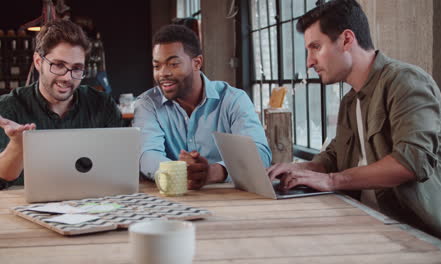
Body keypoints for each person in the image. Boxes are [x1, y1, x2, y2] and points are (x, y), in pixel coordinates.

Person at [268, 0, 441, 250]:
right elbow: (334, 158)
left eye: (315, 47)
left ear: (347, 40)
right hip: (372, 225)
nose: (309, 62)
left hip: (429, 236)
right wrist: (294, 169)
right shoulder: (350, 101)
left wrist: (331, 180)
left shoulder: (406, 81)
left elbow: (412, 162)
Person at [133, 24, 271, 190]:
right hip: (171, 197)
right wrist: (181, 172)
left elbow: (259, 153)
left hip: (230, 199)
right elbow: (146, 155)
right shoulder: (147, 104)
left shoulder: (233, 100)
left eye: (173, 64)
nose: (163, 73)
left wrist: (214, 172)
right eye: (157, 66)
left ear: (197, 63)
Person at [0, 19, 122, 190]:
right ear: (38, 62)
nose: (67, 77)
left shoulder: (102, 105)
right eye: (58, 65)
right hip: (23, 209)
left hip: (90, 206)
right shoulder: (7, 108)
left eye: (77, 68)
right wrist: (18, 146)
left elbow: (119, 167)